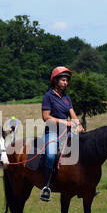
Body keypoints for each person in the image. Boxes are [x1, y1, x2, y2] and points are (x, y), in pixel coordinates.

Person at [40, 66, 84, 202]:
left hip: (67, 132)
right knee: (51, 155)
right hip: (52, 132)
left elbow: (73, 115)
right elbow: (45, 117)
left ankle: (82, 184)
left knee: (83, 149)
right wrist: (65, 123)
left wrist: (78, 124)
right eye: (63, 80)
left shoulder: (66, 98)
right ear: (55, 81)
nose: (66, 83)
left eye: (67, 81)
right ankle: (47, 186)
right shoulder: (48, 96)